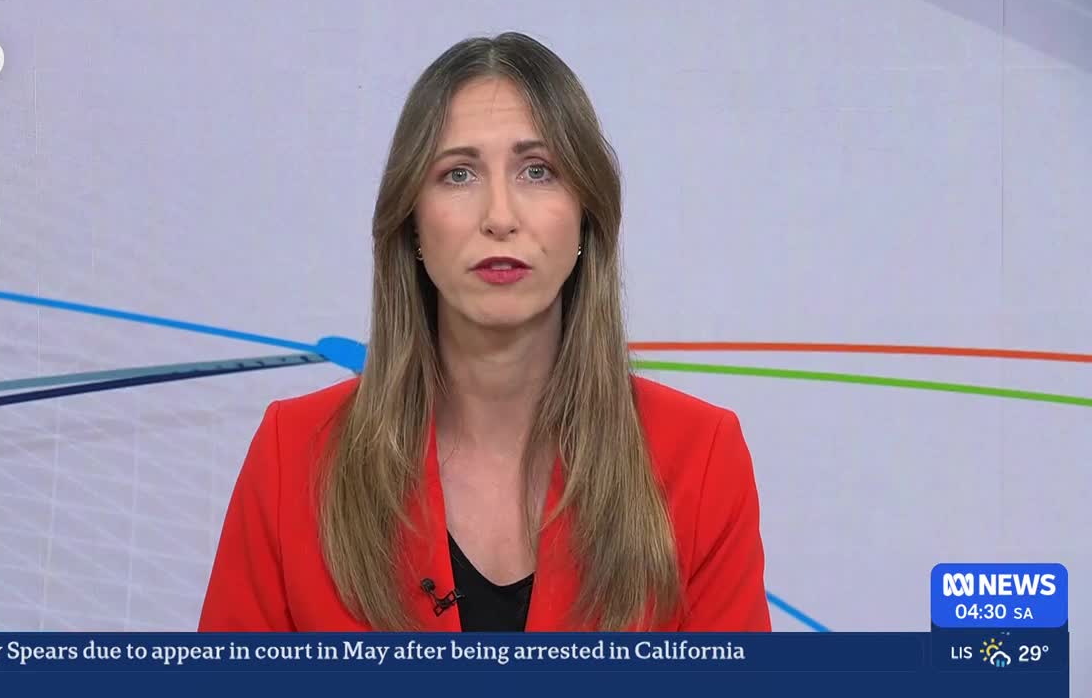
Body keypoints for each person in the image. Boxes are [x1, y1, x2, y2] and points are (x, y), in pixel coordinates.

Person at [198, 31, 770, 632]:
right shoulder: (294, 457)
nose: (499, 217)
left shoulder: (700, 459)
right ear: (412, 222)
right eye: (459, 174)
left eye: (538, 171)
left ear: (585, 218)